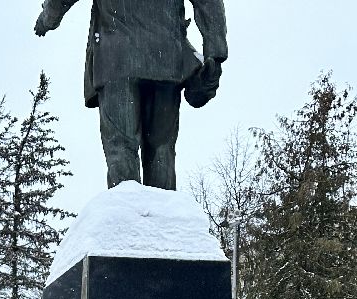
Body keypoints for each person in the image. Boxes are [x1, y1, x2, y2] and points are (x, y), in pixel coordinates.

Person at [34, 0, 229, 190]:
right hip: (167, 60)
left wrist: (47, 20)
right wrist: (215, 51)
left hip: (116, 60)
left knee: (121, 147)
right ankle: (164, 215)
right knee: (161, 150)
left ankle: (126, 213)